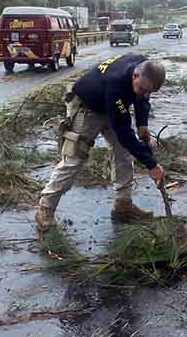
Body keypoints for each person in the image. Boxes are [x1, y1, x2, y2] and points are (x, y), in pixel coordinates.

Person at [35, 54, 166, 231]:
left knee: (123, 153)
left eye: (150, 91)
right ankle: (45, 208)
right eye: (143, 89)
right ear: (135, 76)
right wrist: (152, 165)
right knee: (74, 158)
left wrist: (142, 124)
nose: (146, 94)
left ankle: (123, 206)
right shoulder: (117, 83)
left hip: (110, 104)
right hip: (87, 107)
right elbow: (124, 132)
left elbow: (142, 100)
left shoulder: (143, 67)